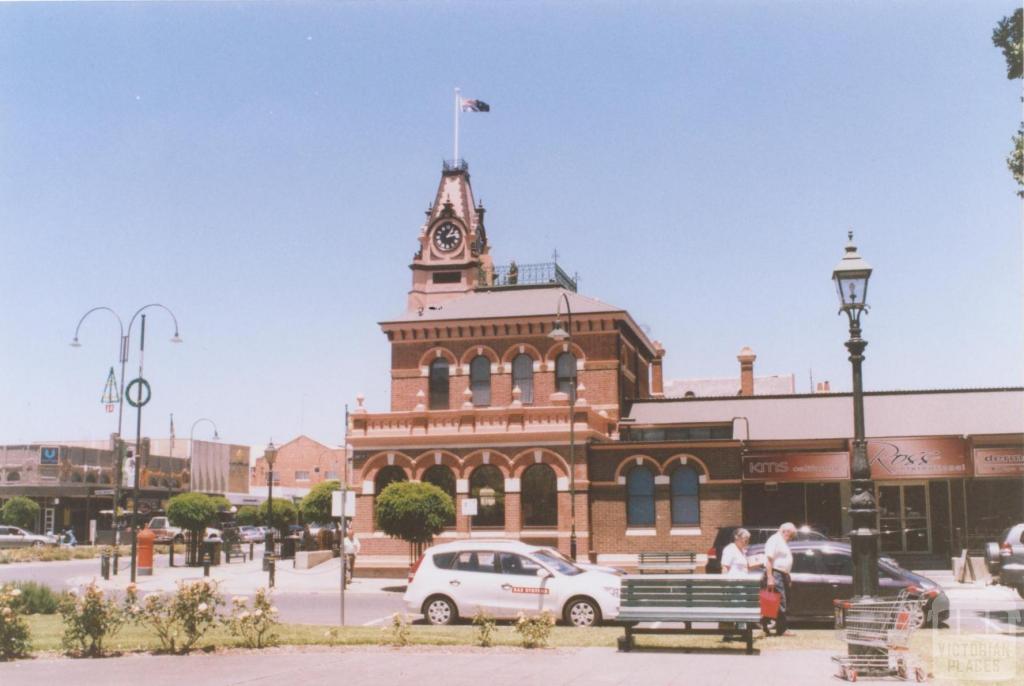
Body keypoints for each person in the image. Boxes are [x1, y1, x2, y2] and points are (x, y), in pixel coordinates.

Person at [763, 522, 797, 636]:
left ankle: (766, 624)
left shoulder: (782, 541)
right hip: (775, 573)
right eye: (791, 535)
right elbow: (768, 559)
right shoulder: (774, 540)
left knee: (777, 601)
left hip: (782, 574)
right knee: (780, 601)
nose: (791, 538)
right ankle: (782, 629)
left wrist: (787, 576)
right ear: (785, 531)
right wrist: (770, 577)